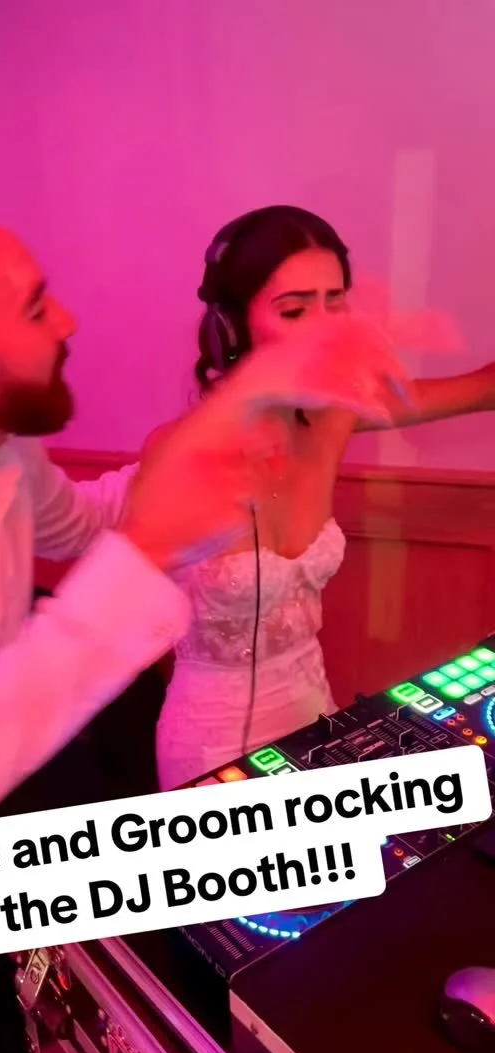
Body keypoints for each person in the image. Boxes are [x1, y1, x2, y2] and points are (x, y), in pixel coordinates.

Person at [0, 190, 403, 1053]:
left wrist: (224, 429)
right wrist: (150, 543)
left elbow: (85, 523)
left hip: (24, 793)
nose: (67, 319)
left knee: (87, 1045)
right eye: (36, 306)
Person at [153, 205, 495, 789]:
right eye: (295, 310)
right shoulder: (180, 450)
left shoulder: (334, 415)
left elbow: (481, 389)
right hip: (211, 744)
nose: (325, 330)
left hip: (316, 716)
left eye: (335, 302)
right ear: (231, 325)